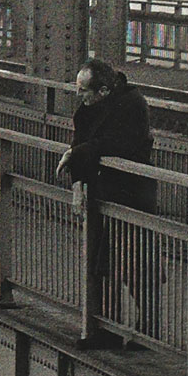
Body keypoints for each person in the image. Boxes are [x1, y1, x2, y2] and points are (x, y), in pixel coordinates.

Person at [57, 57, 159, 346]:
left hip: (130, 196)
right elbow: (81, 143)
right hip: (104, 193)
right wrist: (77, 181)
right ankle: (107, 329)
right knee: (104, 263)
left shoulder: (132, 104)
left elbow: (119, 144)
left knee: (135, 265)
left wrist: (77, 154)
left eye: (83, 91)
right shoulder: (89, 108)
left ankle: (149, 332)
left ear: (103, 91)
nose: (79, 97)